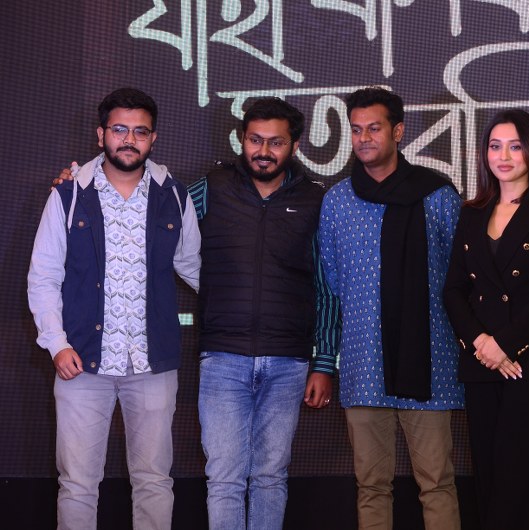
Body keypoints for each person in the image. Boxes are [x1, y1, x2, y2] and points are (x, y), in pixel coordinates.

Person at [28, 88, 201, 530]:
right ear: (101, 133)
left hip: (152, 365)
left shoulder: (174, 195)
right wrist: (57, 344)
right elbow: (43, 276)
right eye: (120, 129)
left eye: (140, 132)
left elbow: (194, 267)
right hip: (82, 363)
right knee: (78, 484)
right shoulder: (69, 195)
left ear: (153, 138)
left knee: (154, 480)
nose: (129, 139)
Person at [187, 97, 340, 530]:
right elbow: (154, 214)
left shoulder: (315, 200)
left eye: (276, 142)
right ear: (242, 139)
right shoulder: (211, 187)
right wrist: (80, 181)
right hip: (223, 357)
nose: (264, 151)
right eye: (255, 140)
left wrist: (323, 364)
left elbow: (327, 286)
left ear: (295, 145)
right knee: (224, 479)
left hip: (289, 362)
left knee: (271, 477)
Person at [318, 87, 463, 529]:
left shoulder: (437, 195)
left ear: (398, 132)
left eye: (374, 128)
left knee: (436, 483)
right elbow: (330, 286)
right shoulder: (337, 201)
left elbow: (461, 279)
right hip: (364, 366)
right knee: (371, 485)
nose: (363, 138)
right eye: (356, 129)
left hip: (429, 364)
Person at [443, 109, 529, 529]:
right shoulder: (472, 212)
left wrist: (505, 345)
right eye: (495, 146)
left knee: (520, 479)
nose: (503, 156)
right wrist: (482, 344)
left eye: (515, 147)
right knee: (487, 477)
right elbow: (453, 290)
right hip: (481, 364)